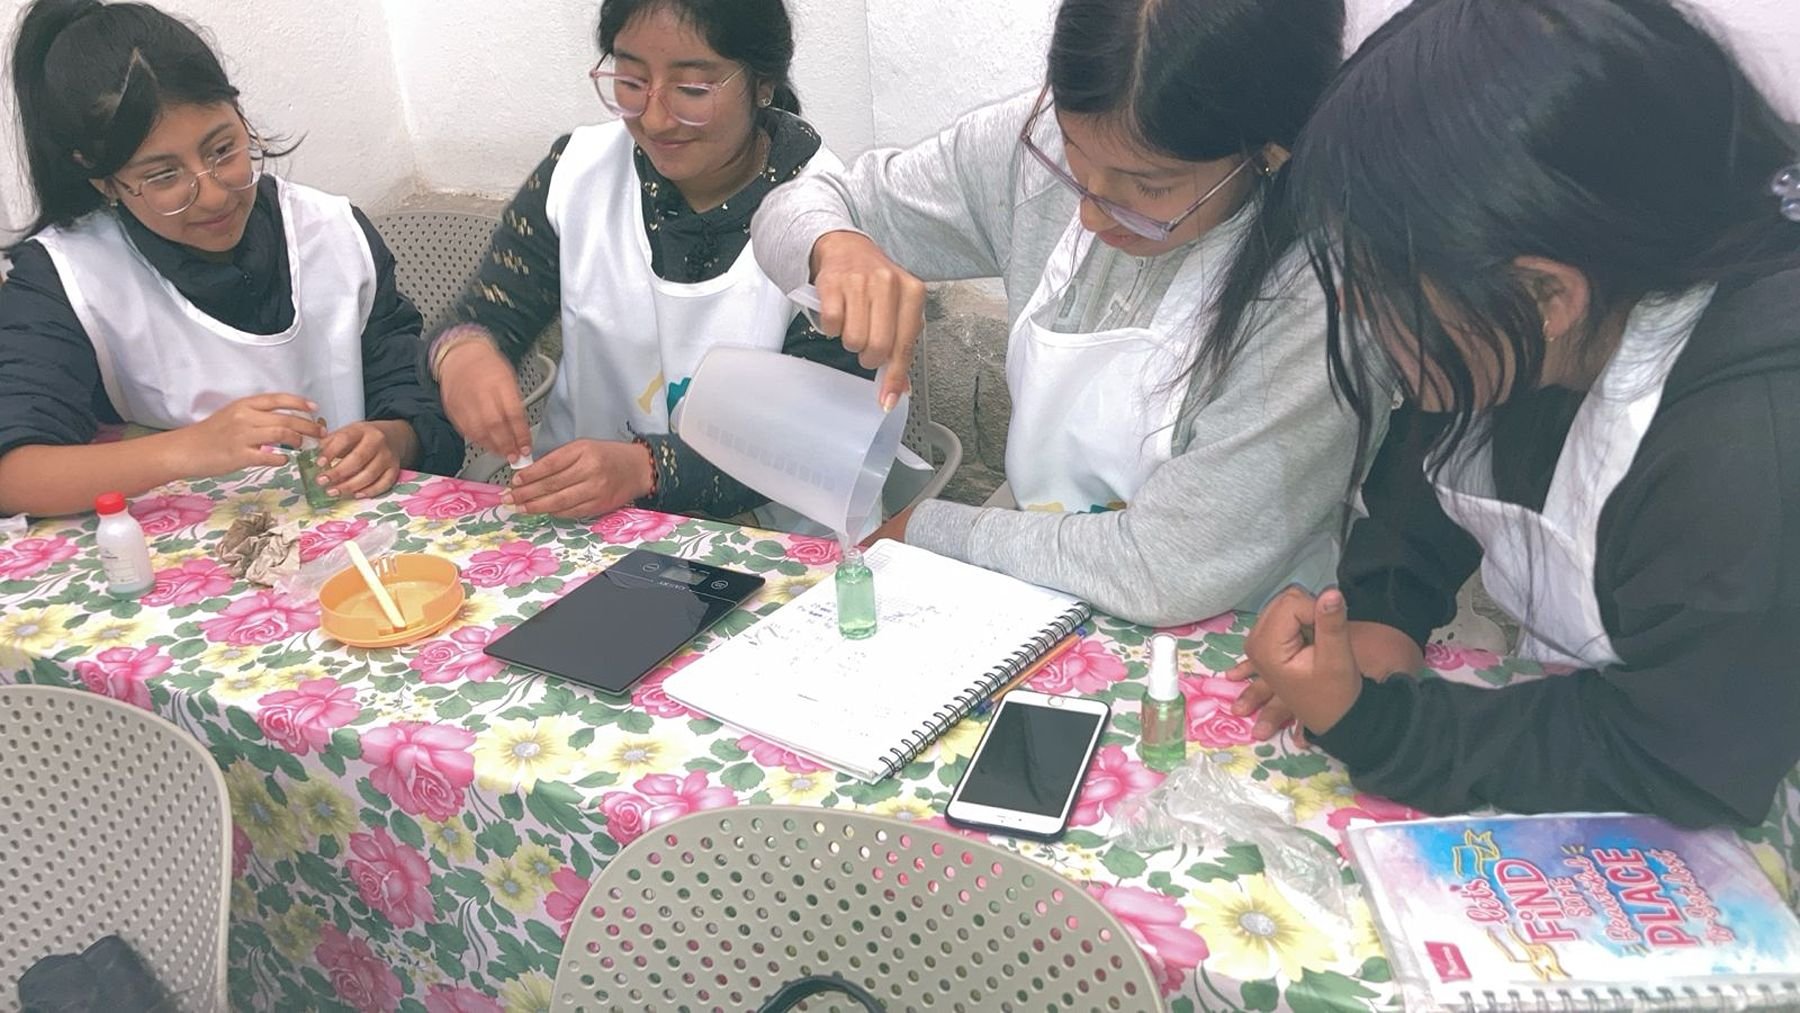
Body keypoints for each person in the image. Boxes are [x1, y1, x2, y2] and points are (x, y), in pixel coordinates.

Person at [1233, 0, 1800, 850]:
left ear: (1545, 294)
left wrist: (1382, 729)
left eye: (1380, 278)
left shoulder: (1746, 453)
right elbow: (1442, 442)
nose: (1350, 300)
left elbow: (1674, 750)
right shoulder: (1570, 295)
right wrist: (1385, 608)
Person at [751, 0, 1371, 627]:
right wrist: (834, 247)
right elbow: (794, 204)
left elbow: (1169, 569)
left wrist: (936, 527)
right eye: (1075, 154)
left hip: (1247, 648)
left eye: (1149, 187)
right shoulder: (1031, 148)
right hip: (1040, 607)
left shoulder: (1322, 284)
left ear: (1269, 152)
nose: (1093, 215)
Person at [0, 0, 460, 518]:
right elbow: (14, 475)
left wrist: (393, 440)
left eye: (223, 150)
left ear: (240, 116)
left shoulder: (331, 233)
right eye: (162, 176)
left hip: (358, 543)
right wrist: (187, 450)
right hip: (180, 577)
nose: (215, 196)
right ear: (104, 180)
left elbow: (407, 387)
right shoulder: (68, 278)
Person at [429, 0, 866, 522]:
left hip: (778, 552)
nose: (656, 118)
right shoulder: (577, 175)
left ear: (762, 82)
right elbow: (481, 316)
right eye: (632, 81)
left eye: (692, 89)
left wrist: (645, 469)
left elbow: (814, 442)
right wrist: (462, 354)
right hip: (592, 534)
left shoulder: (830, 220)